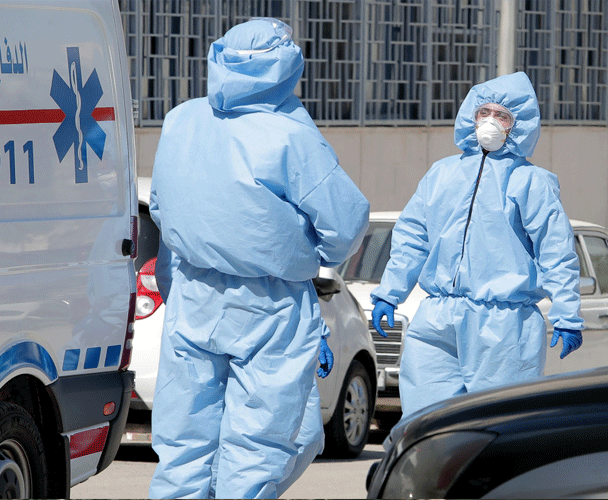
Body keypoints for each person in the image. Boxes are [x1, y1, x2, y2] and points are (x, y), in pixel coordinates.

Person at [147, 17, 370, 499]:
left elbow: (163, 208)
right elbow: (346, 222)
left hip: (193, 294)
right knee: (260, 444)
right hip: (268, 303)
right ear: (286, 65)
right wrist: (313, 259)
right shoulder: (289, 132)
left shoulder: (181, 120)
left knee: (183, 441)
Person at [371, 72, 584, 418]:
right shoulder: (441, 174)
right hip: (436, 316)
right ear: (470, 116)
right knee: (424, 419)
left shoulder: (530, 182)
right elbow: (412, 236)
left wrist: (566, 312)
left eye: (503, 116)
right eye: (484, 112)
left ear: (519, 125)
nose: (490, 122)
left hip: (504, 324)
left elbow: (555, 250)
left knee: (497, 422)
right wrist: (389, 292)